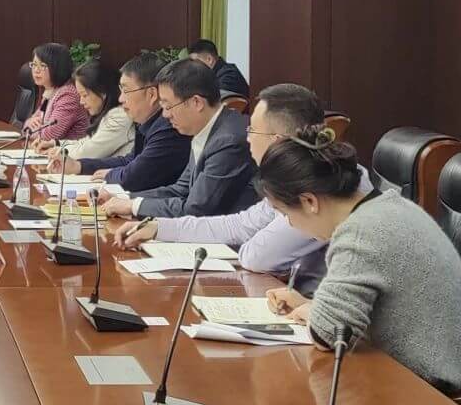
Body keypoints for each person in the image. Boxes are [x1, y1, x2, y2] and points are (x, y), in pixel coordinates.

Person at [259, 127, 461, 396]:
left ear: (309, 201)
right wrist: (311, 305)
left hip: (432, 395)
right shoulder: (390, 207)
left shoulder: (360, 233)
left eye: (285, 214)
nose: (291, 224)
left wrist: (316, 314)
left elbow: (328, 334)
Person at [112, 83, 372, 292]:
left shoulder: (320, 187)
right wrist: (159, 227)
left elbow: (257, 256)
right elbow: (240, 224)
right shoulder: (299, 177)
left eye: (253, 131)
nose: (246, 138)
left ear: (277, 141)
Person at [100, 57, 256, 218]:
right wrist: (124, 198)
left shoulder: (228, 141)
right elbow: (180, 190)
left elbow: (195, 209)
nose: (165, 115)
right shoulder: (206, 129)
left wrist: (133, 206)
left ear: (196, 102)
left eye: (168, 106)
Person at [52, 52, 190, 193]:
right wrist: (78, 166)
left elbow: (133, 178)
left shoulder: (168, 129)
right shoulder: (147, 123)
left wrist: (111, 174)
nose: (121, 99)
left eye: (126, 91)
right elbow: (129, 161)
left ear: (152, 94)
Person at [34, 59, 133, 161]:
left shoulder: (120, 116)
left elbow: (87, 152)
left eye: (85, 95)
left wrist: (56, 150)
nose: (81, 102)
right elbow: (86, 143)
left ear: (102, 92)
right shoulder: (110, 114)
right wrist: (55, 143)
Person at [20, 43, 89, 142]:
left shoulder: (68, 95)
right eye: (34, 65)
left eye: (42, 65)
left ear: (58, 67)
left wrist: (32, 129)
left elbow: (49, 135)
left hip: (68, 151)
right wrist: (30, 124)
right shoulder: (50, 91)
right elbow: (27, 126)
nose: (36, 70)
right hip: (48, 149)